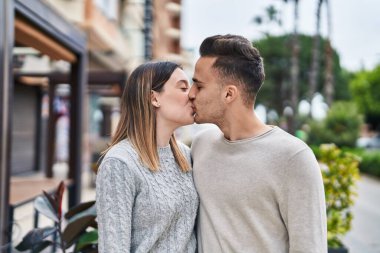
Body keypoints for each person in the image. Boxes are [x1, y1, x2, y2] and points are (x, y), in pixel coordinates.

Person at [189, 34, 327, 253]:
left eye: (199, 86)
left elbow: (310, 247)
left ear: (229, 94)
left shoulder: (293, 157)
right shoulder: (200, 146)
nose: (190, 94)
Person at [96, 61, 199, 253]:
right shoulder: (120, 162)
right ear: (154, 98)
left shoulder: (185, 156)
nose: (192, 94)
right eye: (183, 88)